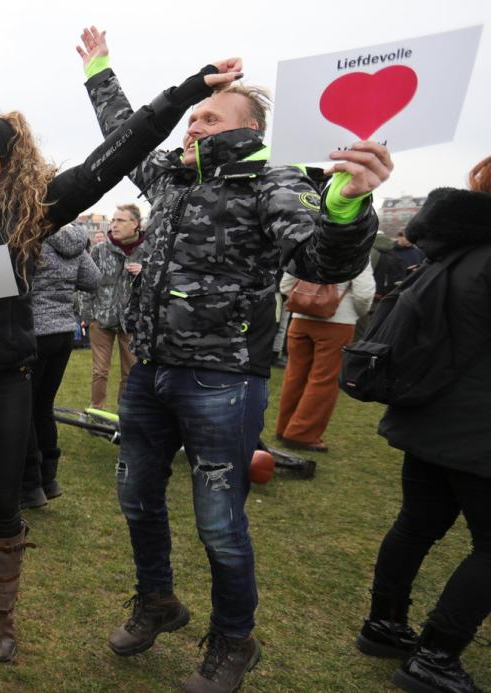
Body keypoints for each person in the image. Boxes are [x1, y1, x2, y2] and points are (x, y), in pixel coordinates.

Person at [0, 47, 243, 662]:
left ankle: (1, 618)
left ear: (10, 161)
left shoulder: (31, 210)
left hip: (3, 380)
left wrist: (183, 93)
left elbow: (114, 157)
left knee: (0, 501)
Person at [79, 27, 392, 692]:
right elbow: (125, 133)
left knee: (219, 520)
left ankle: (232, 640)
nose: (193, 125)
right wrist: (100, 70)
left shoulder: (272, 180)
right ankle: (157, 599)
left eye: (210, 116)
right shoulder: (166, 175)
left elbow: (321, 259)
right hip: (152, 373)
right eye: (192, 117)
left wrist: (346, 202)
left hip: (221, 379)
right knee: (136, 496)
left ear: (250, 129)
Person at [358, 156, 491, 693]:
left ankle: (385, 624)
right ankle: (436, 656)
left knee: (417, 524)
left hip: (433, 413)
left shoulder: (451, 252)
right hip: (477, 424)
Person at [20, 219, 99, 508]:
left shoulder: (30, 238)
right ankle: (48, 480)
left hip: (32, 333)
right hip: (63, 333)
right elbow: (93, 280)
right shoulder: (75, 242)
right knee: (43, 407)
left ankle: (29, 486)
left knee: (23, 409)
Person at [275, 264, 374, 452]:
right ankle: (301, 434)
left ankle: (284, 427)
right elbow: (364, 293)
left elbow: (286, 283)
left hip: (301, 317)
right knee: (324, 380)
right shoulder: (356, 249)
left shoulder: (307, 244)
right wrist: (355, 313)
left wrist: (304, 301)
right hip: (338, 321)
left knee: (294, 375)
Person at [85, 204, 146, 411]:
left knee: (131, 372)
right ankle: (96, 412)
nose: (114, 225)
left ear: (135, 224)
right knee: (100, 371)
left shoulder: (149, 250)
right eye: (113, 220)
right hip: (101, 320)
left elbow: (164, 282)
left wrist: (144, 273)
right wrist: (88, 316)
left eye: (120, 220)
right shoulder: (99, 250)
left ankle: (125, 415)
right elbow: (85, 284)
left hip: (132, 322)